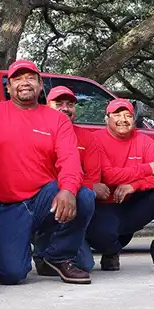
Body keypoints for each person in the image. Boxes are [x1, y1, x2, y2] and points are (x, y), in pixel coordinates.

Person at [0, 59, 95, 285]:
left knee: (84, 196)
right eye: (17, 79)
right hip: (5, 206)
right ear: (8, 87)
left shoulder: (57, 119)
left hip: (44, 198)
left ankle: (58, 255)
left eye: (30, 78)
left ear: (40, 86)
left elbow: (70, 160)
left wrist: (68, 190)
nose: (25, 82)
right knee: (10, 274)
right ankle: (24, 245)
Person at [87, 99, 154, 275]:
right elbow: (108, 175)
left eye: (128, 115)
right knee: (102, 235)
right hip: (106, 206)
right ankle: (111, 250)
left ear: (134, 119)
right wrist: (148, 169)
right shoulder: (95, 139)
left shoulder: (144, 140)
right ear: (106, 118)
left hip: (134, 204)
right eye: (117, 115)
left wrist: (135, 185)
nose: (123, 119)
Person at [33, 85, 109, 273]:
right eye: (59, 104)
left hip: (71, 204)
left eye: (70, 104)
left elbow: (93, 181)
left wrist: (70, 188)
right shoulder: (37, 132)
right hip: (42, 201)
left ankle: (53, 254)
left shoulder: (87, 137)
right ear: (46, 106)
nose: (65, 108)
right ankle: (38, 243)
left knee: (85, 265)